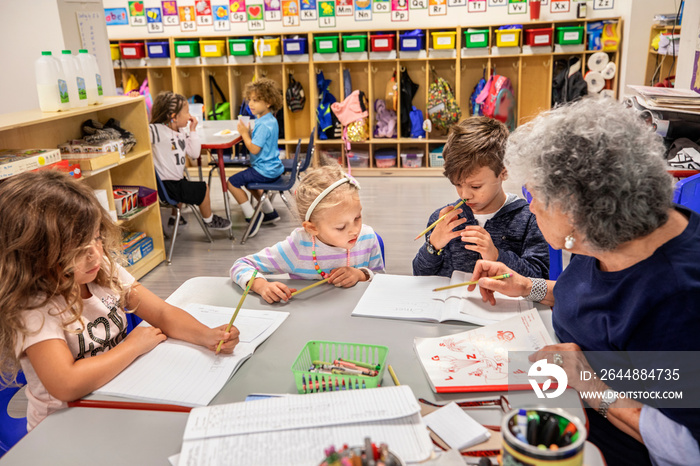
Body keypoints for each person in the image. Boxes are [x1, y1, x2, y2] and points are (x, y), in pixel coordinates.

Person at [468, 98, 700, 466]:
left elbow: (688, 447)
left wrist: (590, 383)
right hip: (556, 398)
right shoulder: (609, 234)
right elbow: (594, 299)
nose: (530, 207)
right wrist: (528, 286)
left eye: (535, 198)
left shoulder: (678, 300)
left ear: (574, 209)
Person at [0, 171, 240, 431]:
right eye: (78, 249)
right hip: (65, 426)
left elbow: (160, 312)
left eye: (96, 238)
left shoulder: (100, 269)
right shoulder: (36, 306)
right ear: (33, 256)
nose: (94, 254)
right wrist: (132, 347)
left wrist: (206, 335)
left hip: (116, 395)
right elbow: (66, 383)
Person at [412, 116, 549, 278]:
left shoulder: (529, 219)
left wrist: (496, 256)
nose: (465, 195)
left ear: (503, 171)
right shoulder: (443, 220)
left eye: (475, 186)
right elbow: (420, 275)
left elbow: (539, 279)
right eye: (457, 184)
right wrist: (432, 246)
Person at [230, 164, 385, 303]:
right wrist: (261, 286)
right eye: (340, 227)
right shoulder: (298, 246)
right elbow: (241, 265)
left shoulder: (367, 237)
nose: (355, 230)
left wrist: (361, 275)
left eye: (357, 217)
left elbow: (383, 280)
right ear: (312, 228)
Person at [149, 91, 231, 230]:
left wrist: (192, 130)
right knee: (203, 188)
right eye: (187, 112)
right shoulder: (155, 130)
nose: (190, 116)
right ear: (173, 117)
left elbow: (194, 153)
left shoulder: (181, 131)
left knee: (184, 181)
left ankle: (175, 217)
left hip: (175, 182)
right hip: (166, 185)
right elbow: (138, 132)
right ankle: (209, 220)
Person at [227, 78, 285, 238]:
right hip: (273, 167)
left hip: (264, 170)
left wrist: (245, 134)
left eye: (256, 100)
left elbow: (253, 148)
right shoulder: (270, 120)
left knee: (231, 183)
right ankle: (269, 212)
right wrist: (251, 134)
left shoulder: (262, 124)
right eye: (250, 100)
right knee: (249, 184)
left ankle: (253, 217)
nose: (251, 104)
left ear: (268, 102)